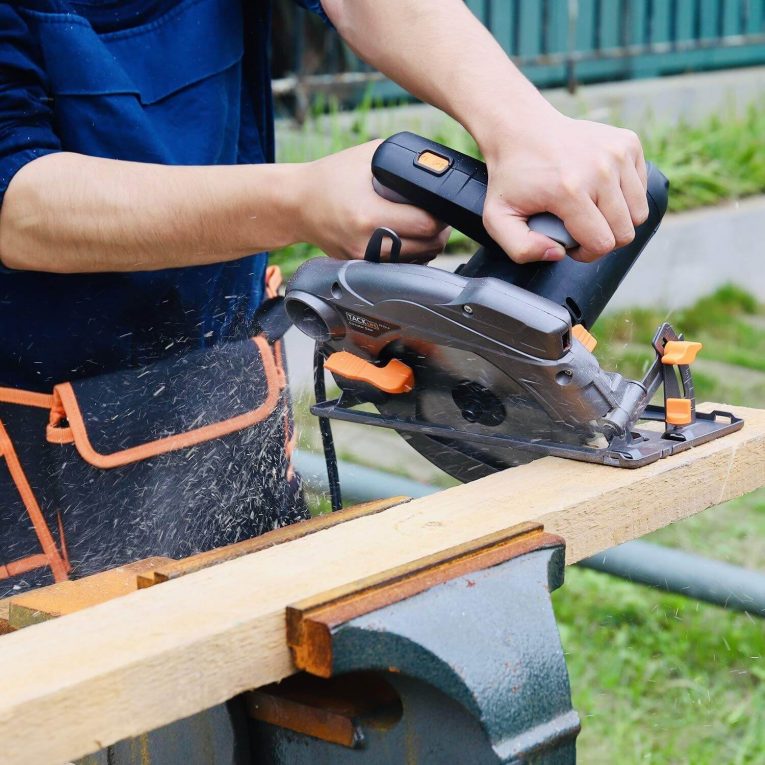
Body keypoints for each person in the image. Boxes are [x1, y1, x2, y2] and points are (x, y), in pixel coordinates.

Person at [0, 0, 649, 596]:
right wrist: (297, 201)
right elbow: (16, 206)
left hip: (226, 382)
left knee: (257, 673)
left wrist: (521, 124)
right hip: (23, 444)